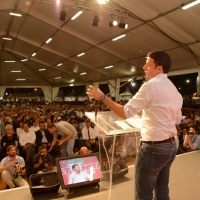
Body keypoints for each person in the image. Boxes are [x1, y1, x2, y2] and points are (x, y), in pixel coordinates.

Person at [87, 51, 183, 200]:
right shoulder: (174, 90)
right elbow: (177, 119)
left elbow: (125, 112)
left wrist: (103, 97)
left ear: (159, 69)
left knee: (143, 195)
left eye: (148, 64)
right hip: (170, 146)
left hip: (153, 148)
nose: (144, 67)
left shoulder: (150, 86)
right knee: (162, 191)